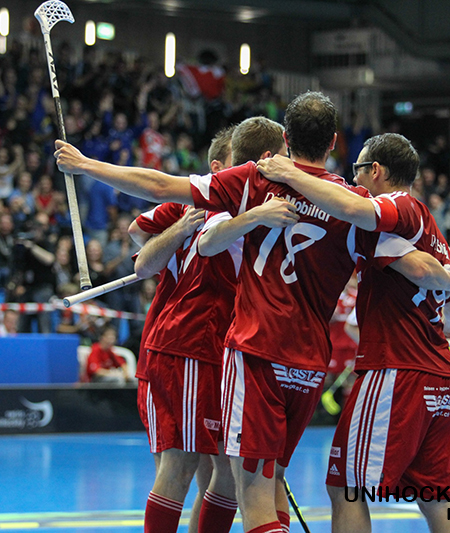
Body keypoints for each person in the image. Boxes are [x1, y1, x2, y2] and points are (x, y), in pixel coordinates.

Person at [55, 91, 450, 533]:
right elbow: (418, 265)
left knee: (253, 491)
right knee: (272, 479)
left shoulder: (257, 179)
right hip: (309, 364)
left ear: (287, 139)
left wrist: (86, 165)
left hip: (257, 351)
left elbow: (158, 186)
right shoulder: (352, 202)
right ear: (333, 142)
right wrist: (449, 280)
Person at [255, 132, 450, 532]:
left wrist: (291, 173)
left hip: (397, 370)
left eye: (357, 170)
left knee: (346, 487)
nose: (353, 180)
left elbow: (353, 208)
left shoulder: (396, 209)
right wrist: (449, 332)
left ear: (376, 171)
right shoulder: (436, 238)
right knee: (436, 498)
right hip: (442, 377)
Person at [128, 119, 296, 533]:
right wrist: (180, 231)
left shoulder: (267, 203)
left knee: (227, 467)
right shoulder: (202, 205)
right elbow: (143, 245)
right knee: (181, 461)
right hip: (189, 344)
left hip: (232, 350)